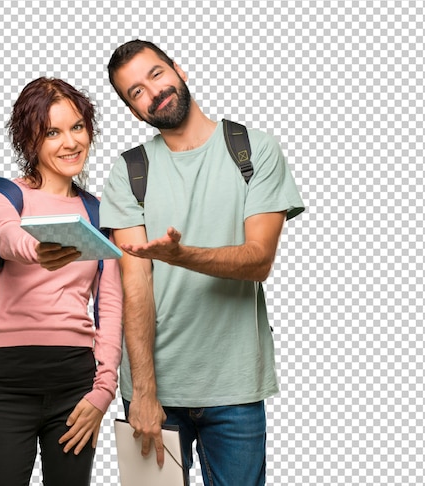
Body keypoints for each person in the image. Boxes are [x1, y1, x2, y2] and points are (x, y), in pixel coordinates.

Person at [100, 40, 305, 485]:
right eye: (135, 92)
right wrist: (144, 391)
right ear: (135, 112)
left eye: (156, 75)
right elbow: (136, 284)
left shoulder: (252, 149)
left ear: (179, 69)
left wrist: (181, 255)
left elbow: (258, 260)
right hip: (153, 394)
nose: (152, 92)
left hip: (234, 388)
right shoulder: (129, 170)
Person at [0, 77, 123, 486]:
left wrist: (103, 390)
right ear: (30, 142)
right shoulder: (4, 195)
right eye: (52, 132)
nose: (70, 142)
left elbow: (110, 306)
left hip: (75, 383)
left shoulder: (98, 214)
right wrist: (39, 249)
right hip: (6, 383)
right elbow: (6, 237)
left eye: (77, 127)